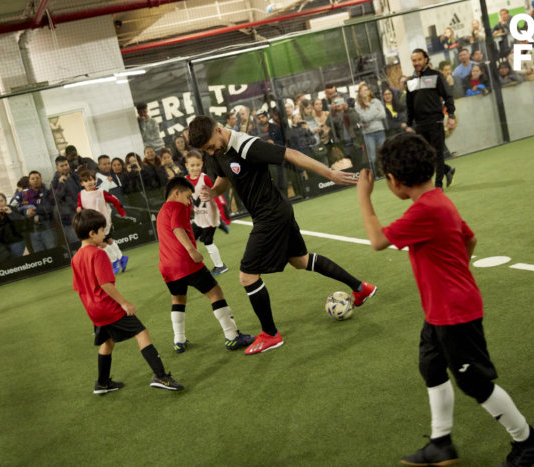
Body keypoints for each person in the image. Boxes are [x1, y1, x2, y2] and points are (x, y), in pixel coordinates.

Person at [356, 133, 534, 467]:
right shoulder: (438, 200)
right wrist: (453, 270)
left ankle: (529, 441)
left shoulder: (424, 211)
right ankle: (441, 443)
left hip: (454, 312)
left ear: (396, 181)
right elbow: (470, 239)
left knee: (474, 382)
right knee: (431, 366)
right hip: (442, 309)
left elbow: (376, 240)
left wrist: (364, 196)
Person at [187, 115, 377, 355]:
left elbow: (291, 154)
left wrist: (329, 174)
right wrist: (212, 192)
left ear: (218, 130)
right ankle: (361, 288)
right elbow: (223, 179)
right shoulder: (215, 153)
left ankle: (270, 334)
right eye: (206, 150)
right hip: (274, 212)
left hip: (271, 215)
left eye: (211, 146)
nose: (211, 152)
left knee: (247, 276)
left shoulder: (246, 145)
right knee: (300, 260)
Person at [70, 209, 184, 393]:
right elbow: (106, 284)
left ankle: (102, 383)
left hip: (93, 310)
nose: (104, 234)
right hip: (107, 307)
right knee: (142, 332)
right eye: (101, 231)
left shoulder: (76, 258)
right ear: (92, 234)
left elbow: (78, 287)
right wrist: (124, 303)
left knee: (107, 342)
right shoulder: (98, 254)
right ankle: (161, 377)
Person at [156, 177, 254, 353]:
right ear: (176, 193)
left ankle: (179, 340)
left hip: (166, 266)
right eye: (187, 196)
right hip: (185, 261)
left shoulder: (163, 210)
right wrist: (191, 250)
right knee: (215, 293)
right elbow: (177, 228)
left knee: (178, 299)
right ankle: (232, 336)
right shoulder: (178, 206)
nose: (188, 201)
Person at [406, 49, 456, 190]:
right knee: (425, 156)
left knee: (437, 153)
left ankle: (438, 185)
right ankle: (447, 170)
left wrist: (451, 115)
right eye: (414, 60)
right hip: (419, 124)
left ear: (426, 60)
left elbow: (448, 96)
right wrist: (409, 124)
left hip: (435, 121)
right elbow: (409, 105)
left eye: (419, 59)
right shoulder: (410, 81)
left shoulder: (436, 75)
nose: (416, 63)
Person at [76, 170, 129, 275]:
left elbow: (114, 200)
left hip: (103, 221)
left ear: (94, 180)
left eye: (91, 179)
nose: (89, 182)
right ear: (82, 183)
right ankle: (121, 257)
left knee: (100, 243)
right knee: (108, 240)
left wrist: (121, 212)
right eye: (86, 181)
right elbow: (80, 204)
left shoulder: (101, 192)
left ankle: (114, 262)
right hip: (91, 222)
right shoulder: (81, 194)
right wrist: (78, 208)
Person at [184, 152, 228, 276]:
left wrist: (221, 210)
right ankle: (191, 268)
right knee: (189, 240)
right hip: (198, 218)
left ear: (202, 164)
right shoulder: (185, 181)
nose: (195, 168)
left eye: (198, 165)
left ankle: (220, 266)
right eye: (192, 165)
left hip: (210, 216)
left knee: (207, 241)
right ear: (187, 166)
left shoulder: (205, 178)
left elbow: (215, 193)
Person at [20, 171, 57, 252]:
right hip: (33, 230)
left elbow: (50, 207)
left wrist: (35, 211)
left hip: (47, 227)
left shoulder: (47, 192)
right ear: (29, 181)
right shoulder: (23, 195)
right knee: (39, 255)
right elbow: (18, 209)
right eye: (32, 179)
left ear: (41, 179)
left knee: (53, 251)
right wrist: (27, 213)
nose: (35, 180)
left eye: (37, 178)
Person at [355, 82, 386, 174]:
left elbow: (383, 115)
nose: (365, 92)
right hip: (368, 134)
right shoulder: (358, 107)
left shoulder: (376, 101)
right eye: (362, 90)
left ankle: (385, 172)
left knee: (383, 154)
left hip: (380, 131)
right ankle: (375, 175)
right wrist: (376, 112)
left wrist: (370, 116)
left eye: (366, 89)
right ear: (359, 93)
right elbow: (365, 118)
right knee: (372, 157)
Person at [51, 155, 81, 245]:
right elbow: (56, 198)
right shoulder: (55, 182)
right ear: (57, 168)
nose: (65, 167)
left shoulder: (75, 176)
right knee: (76, 242)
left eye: (66, 164)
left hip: (81, 213)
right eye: (62, 166)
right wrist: (61, 184)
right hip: (68, 219)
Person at [0, 192, 26, 260]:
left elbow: (21, 222)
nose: (0, 203)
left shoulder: (12, 209)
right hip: (3, 244)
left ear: (6, 201)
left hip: (16, 240)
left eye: (1, 201)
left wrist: (11, 213)